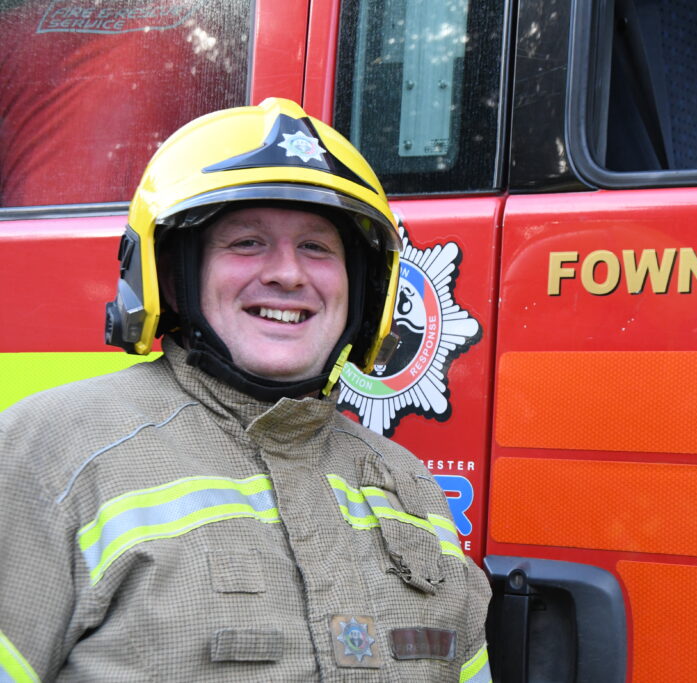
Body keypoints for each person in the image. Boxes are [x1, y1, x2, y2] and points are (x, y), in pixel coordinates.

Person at [0, 98, 492, 682]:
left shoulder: (411, 489)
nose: (288, 272)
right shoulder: (47, 456)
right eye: (247, 242)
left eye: (317, 246)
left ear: (364, 290)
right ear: (174, 281)